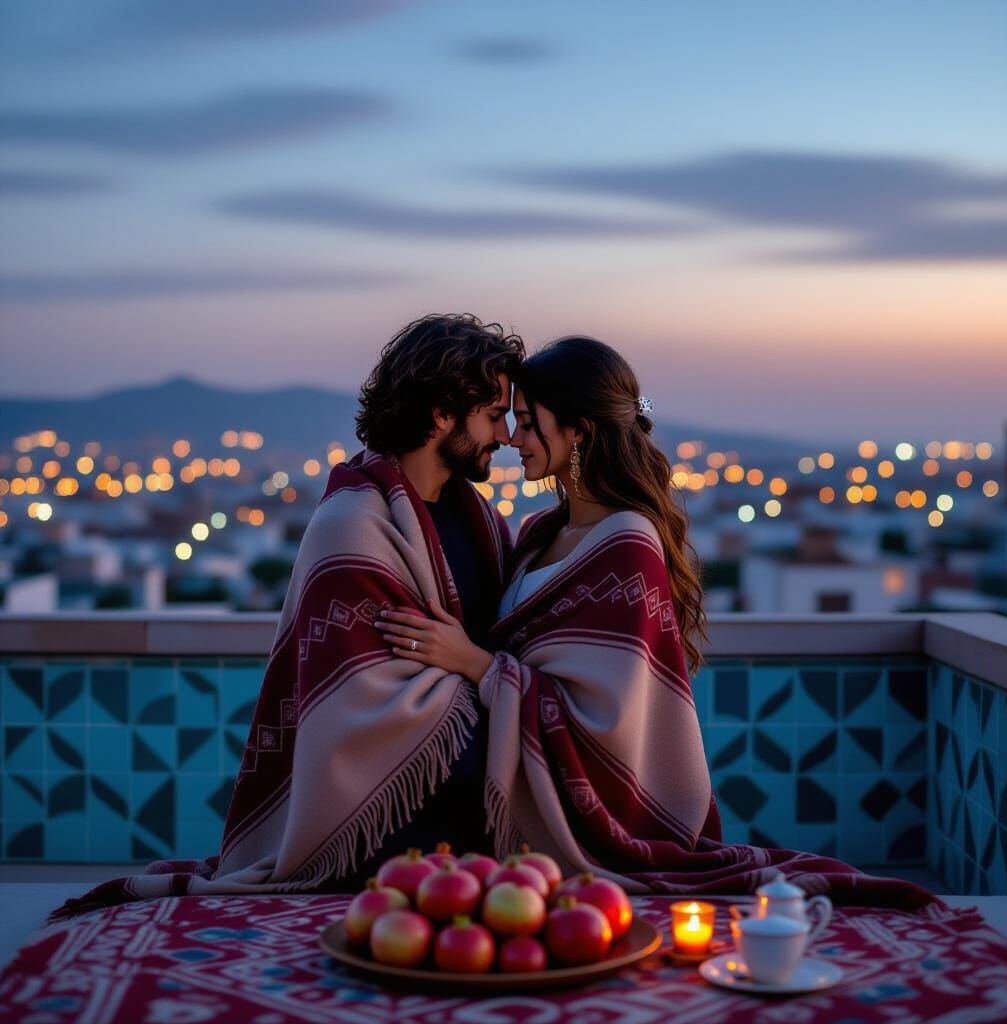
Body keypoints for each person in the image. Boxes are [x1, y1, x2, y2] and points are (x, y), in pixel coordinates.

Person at [378, 336, 933, 909]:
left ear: (578, 431)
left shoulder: (627, 543)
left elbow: (606, 718)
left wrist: (472, 662)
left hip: (592, 812)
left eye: (526, 421)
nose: (513, 438)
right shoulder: (539, 536)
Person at [55, 313, 524, 918]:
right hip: (390, 818)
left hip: (469, 820)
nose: (506, 436)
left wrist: (484, 670)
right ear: (441, 414)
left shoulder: (482, 524)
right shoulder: (353, 527)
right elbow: (362, 701)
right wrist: (504, 696)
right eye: (494, 415)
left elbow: (497, 646)